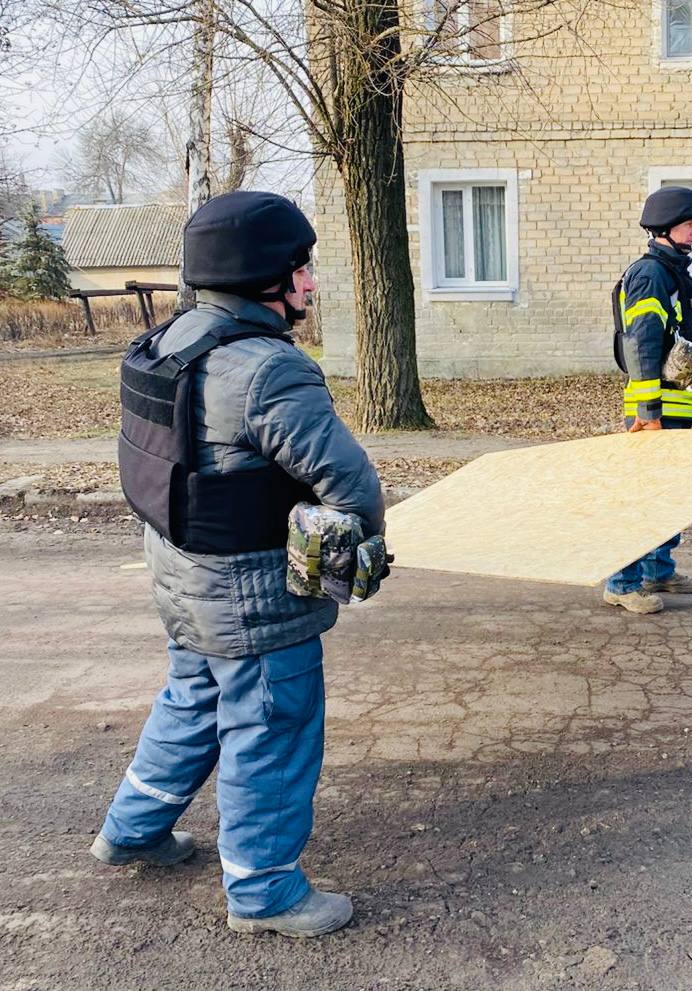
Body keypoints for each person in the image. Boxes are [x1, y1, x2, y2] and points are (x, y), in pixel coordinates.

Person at [89, 191, 384, 938]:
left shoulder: (170, 343)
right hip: (253, 599)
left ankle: (129, 829)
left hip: (184, 582)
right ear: (263, 278)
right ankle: (263, 892)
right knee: (272, 730)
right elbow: (350, 484)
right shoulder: (267, 371)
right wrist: (368, 555)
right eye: (301, 268)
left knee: (190, 705)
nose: (310, 283)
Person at [603, 186, 692, 615]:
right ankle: (622, 582)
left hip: (675, 404)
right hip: (656, 409)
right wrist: (647, 413)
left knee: (671, 495)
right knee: (644, 498)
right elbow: (642, 344)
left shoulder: (674, 272)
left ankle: (657, 570)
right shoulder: (651, 275)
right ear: (665, 228)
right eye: (689, 224)